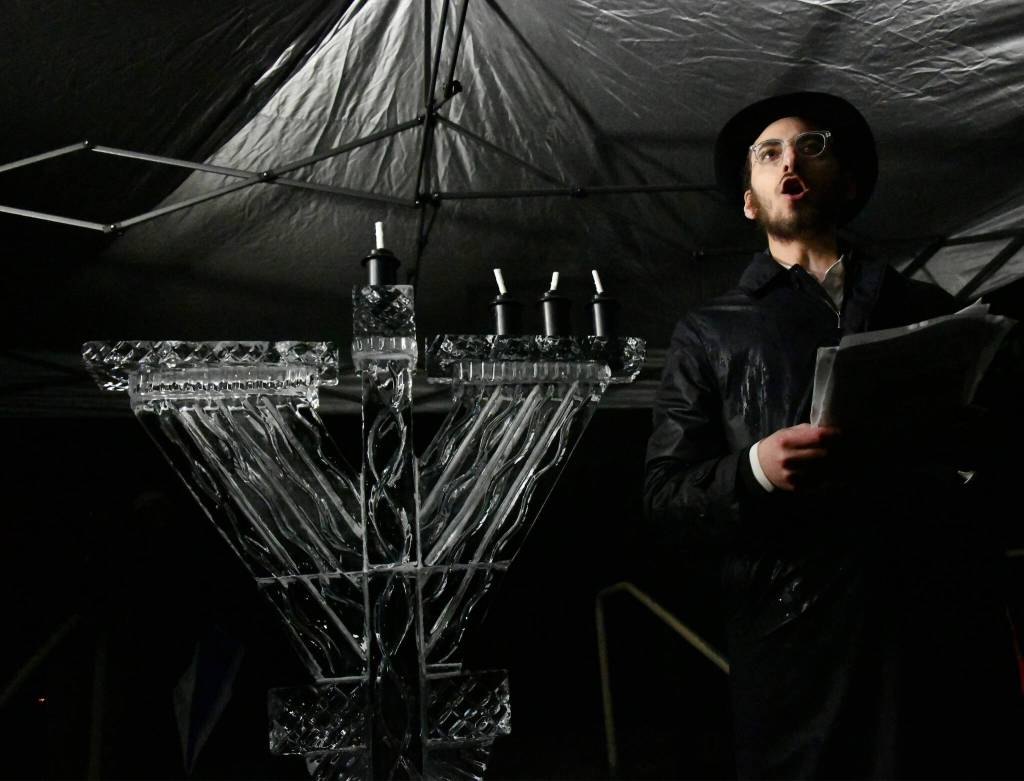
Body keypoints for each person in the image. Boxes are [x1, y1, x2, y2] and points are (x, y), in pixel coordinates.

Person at [644, 92, 1021, 779]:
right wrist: (755, 467)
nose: (790, 159)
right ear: (751, 200)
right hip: (793, 641)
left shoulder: (928, 310)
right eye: (769, 152)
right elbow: (665, 498)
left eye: (812, 145)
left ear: (847, 184)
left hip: (928, 621)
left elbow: (1001, 456)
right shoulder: (709, 332)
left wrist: (963, 447)